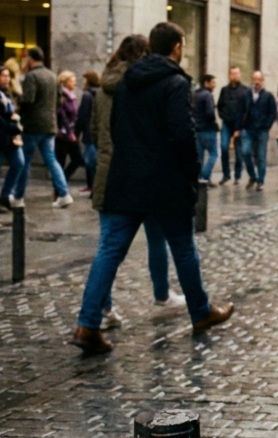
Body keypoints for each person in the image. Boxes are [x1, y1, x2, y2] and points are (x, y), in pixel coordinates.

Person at [69, 23, 233, 354]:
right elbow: (182, 134)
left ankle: (87, 324)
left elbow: (114, 128)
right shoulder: (175, 82)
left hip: (126, 178)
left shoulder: (127, 81)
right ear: (176, 47)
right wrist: (192, 173)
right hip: (165, 182)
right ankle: (200, 312)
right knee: (183, 248)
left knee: (109, 249)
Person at [90, 35, 186, 332]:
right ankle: (160, 295)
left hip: (107, 171)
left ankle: (104, 308)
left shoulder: (102, 87)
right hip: (139, 173)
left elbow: (94, 131)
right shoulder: (138, 86)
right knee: (154, 237)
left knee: (108, 245)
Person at [13, 47, 72, 208]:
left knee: (25, 160)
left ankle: (18, 196)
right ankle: (64, 194)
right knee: (51, 159)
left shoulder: (31, 76)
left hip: (32, 125)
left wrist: (18, 102)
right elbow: (59, 101)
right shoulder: (52, 75)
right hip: (50, 124)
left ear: (30, 59)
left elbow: (28, 100)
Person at [0, 65, 24, 213]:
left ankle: (5, 194)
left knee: (19, 162)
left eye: (8, 76)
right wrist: (9, 123)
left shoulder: (8, 93)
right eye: (3, 76)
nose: (7, 79)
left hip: (10, 135)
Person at [236, 70, 275, 191]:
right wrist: (238, 128)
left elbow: (272, 113)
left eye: (259, 79)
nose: (256, 82)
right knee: (245, 152)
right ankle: (253, 176)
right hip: (248, 128)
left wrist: (266, 126)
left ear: (263, 81)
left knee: (261, 156)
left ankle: (260, 181)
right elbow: (240, 111)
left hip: (262, 130)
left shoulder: (268, 96)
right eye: (254, 79)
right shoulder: (246, 94)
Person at [216, 67, 248, 185]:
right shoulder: (224, 90)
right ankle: (226, 174)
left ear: (240, 75)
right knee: (224, 148)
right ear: (229, 75)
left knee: (239, 152)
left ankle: (237, 176)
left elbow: (247, 109)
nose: (235, 76)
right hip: (227, 124)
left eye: (237, 73)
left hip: (239, 125)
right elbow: (219, 106)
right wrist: (223, 116)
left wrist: (242, 124)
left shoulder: (245, 90)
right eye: (232, 73)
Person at [75, 70, 100, 195]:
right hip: (98, 131)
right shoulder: (100, 93)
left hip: (88, 132)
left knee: (90, 162)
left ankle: (92, 187)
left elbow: (82, 116)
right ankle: (93, 187)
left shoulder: (87, 95)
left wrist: (76, 132)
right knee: (95, 160)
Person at [194, 74, 219, 186]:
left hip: (197, 130)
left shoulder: (195, 94)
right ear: (206, 83)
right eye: (212, 82)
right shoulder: (208, 95)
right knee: (214, 154)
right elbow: (210, 113)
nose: (214, 85)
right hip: (207, 129)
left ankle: (199, 178)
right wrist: (214, 123)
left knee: (200, 157)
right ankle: (204, 176)